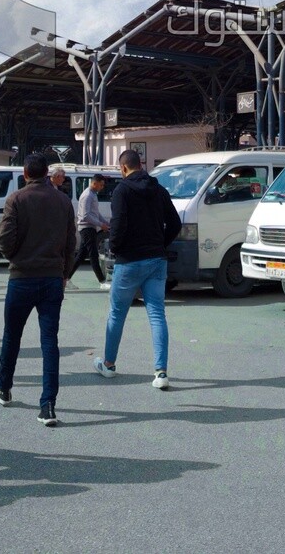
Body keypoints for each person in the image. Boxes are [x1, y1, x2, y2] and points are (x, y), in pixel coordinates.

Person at [0, 153, 77, 427]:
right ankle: (48, 404)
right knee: (49, 341)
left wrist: (14, 256)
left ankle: (4, 387)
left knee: (12, 334)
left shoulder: (16, 198)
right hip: (52, 278)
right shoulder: (63, 200)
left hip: (22, 277)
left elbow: (4, 238)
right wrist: (64, 274)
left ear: (25, 173)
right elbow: (71, 242)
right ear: (47, 173)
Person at [95, 149, 181, 390]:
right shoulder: (159, 189)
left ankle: (109, 364)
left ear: (123, 168)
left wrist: (116, 247)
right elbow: (175, 223)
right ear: (140, 165)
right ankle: (161, 372)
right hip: (156, 259)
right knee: (156, 314)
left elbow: (118, 224)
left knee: (117, 313)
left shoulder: (122, 191)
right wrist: (160, 243)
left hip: (129, 260)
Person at [72, 173, 111, 286]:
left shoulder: (93, 194)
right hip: (87, 228)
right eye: (101, 185)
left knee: (81, 255)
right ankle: (102, 281)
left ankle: (67, 278)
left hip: (89, 228)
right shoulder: (87, 195)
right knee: (93, 255)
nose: (102, 187)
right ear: (94, 183)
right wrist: (100, 224)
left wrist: (105, 223)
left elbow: (95, 213)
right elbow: (86, 215)